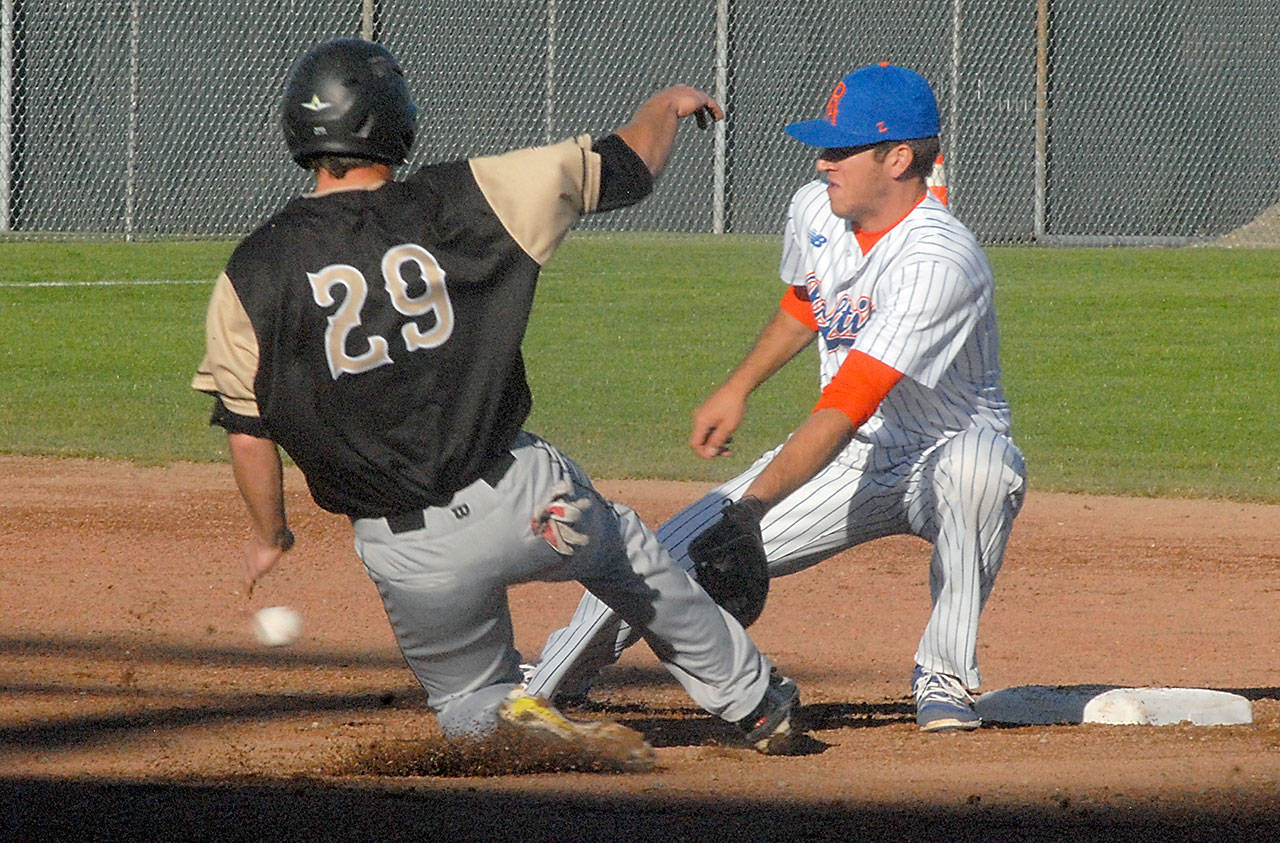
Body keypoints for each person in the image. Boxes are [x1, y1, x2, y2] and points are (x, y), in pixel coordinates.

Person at [191, 37, 801, 767]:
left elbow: (249, 432)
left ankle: (534, 732)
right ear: (396, 122)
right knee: (628, 556)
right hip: (527, 502)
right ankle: (756, 701)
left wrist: (271, 534)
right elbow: (625, 166)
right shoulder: (468, 195)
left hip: (411, 555)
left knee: (469, 707)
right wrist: (665, 106)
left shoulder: (252, 269)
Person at [523, 63, 1027, 733]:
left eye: (841, 149)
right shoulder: (816, 209)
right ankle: (555, 677)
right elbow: (805, 302)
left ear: (899, 157)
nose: (823, 162)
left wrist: (752, 509)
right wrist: (739, 385)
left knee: (980, 467)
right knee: (666, 552)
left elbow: (849, 402)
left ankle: (945, 674)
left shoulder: (939, 260)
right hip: (855, 457)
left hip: (943, 451)